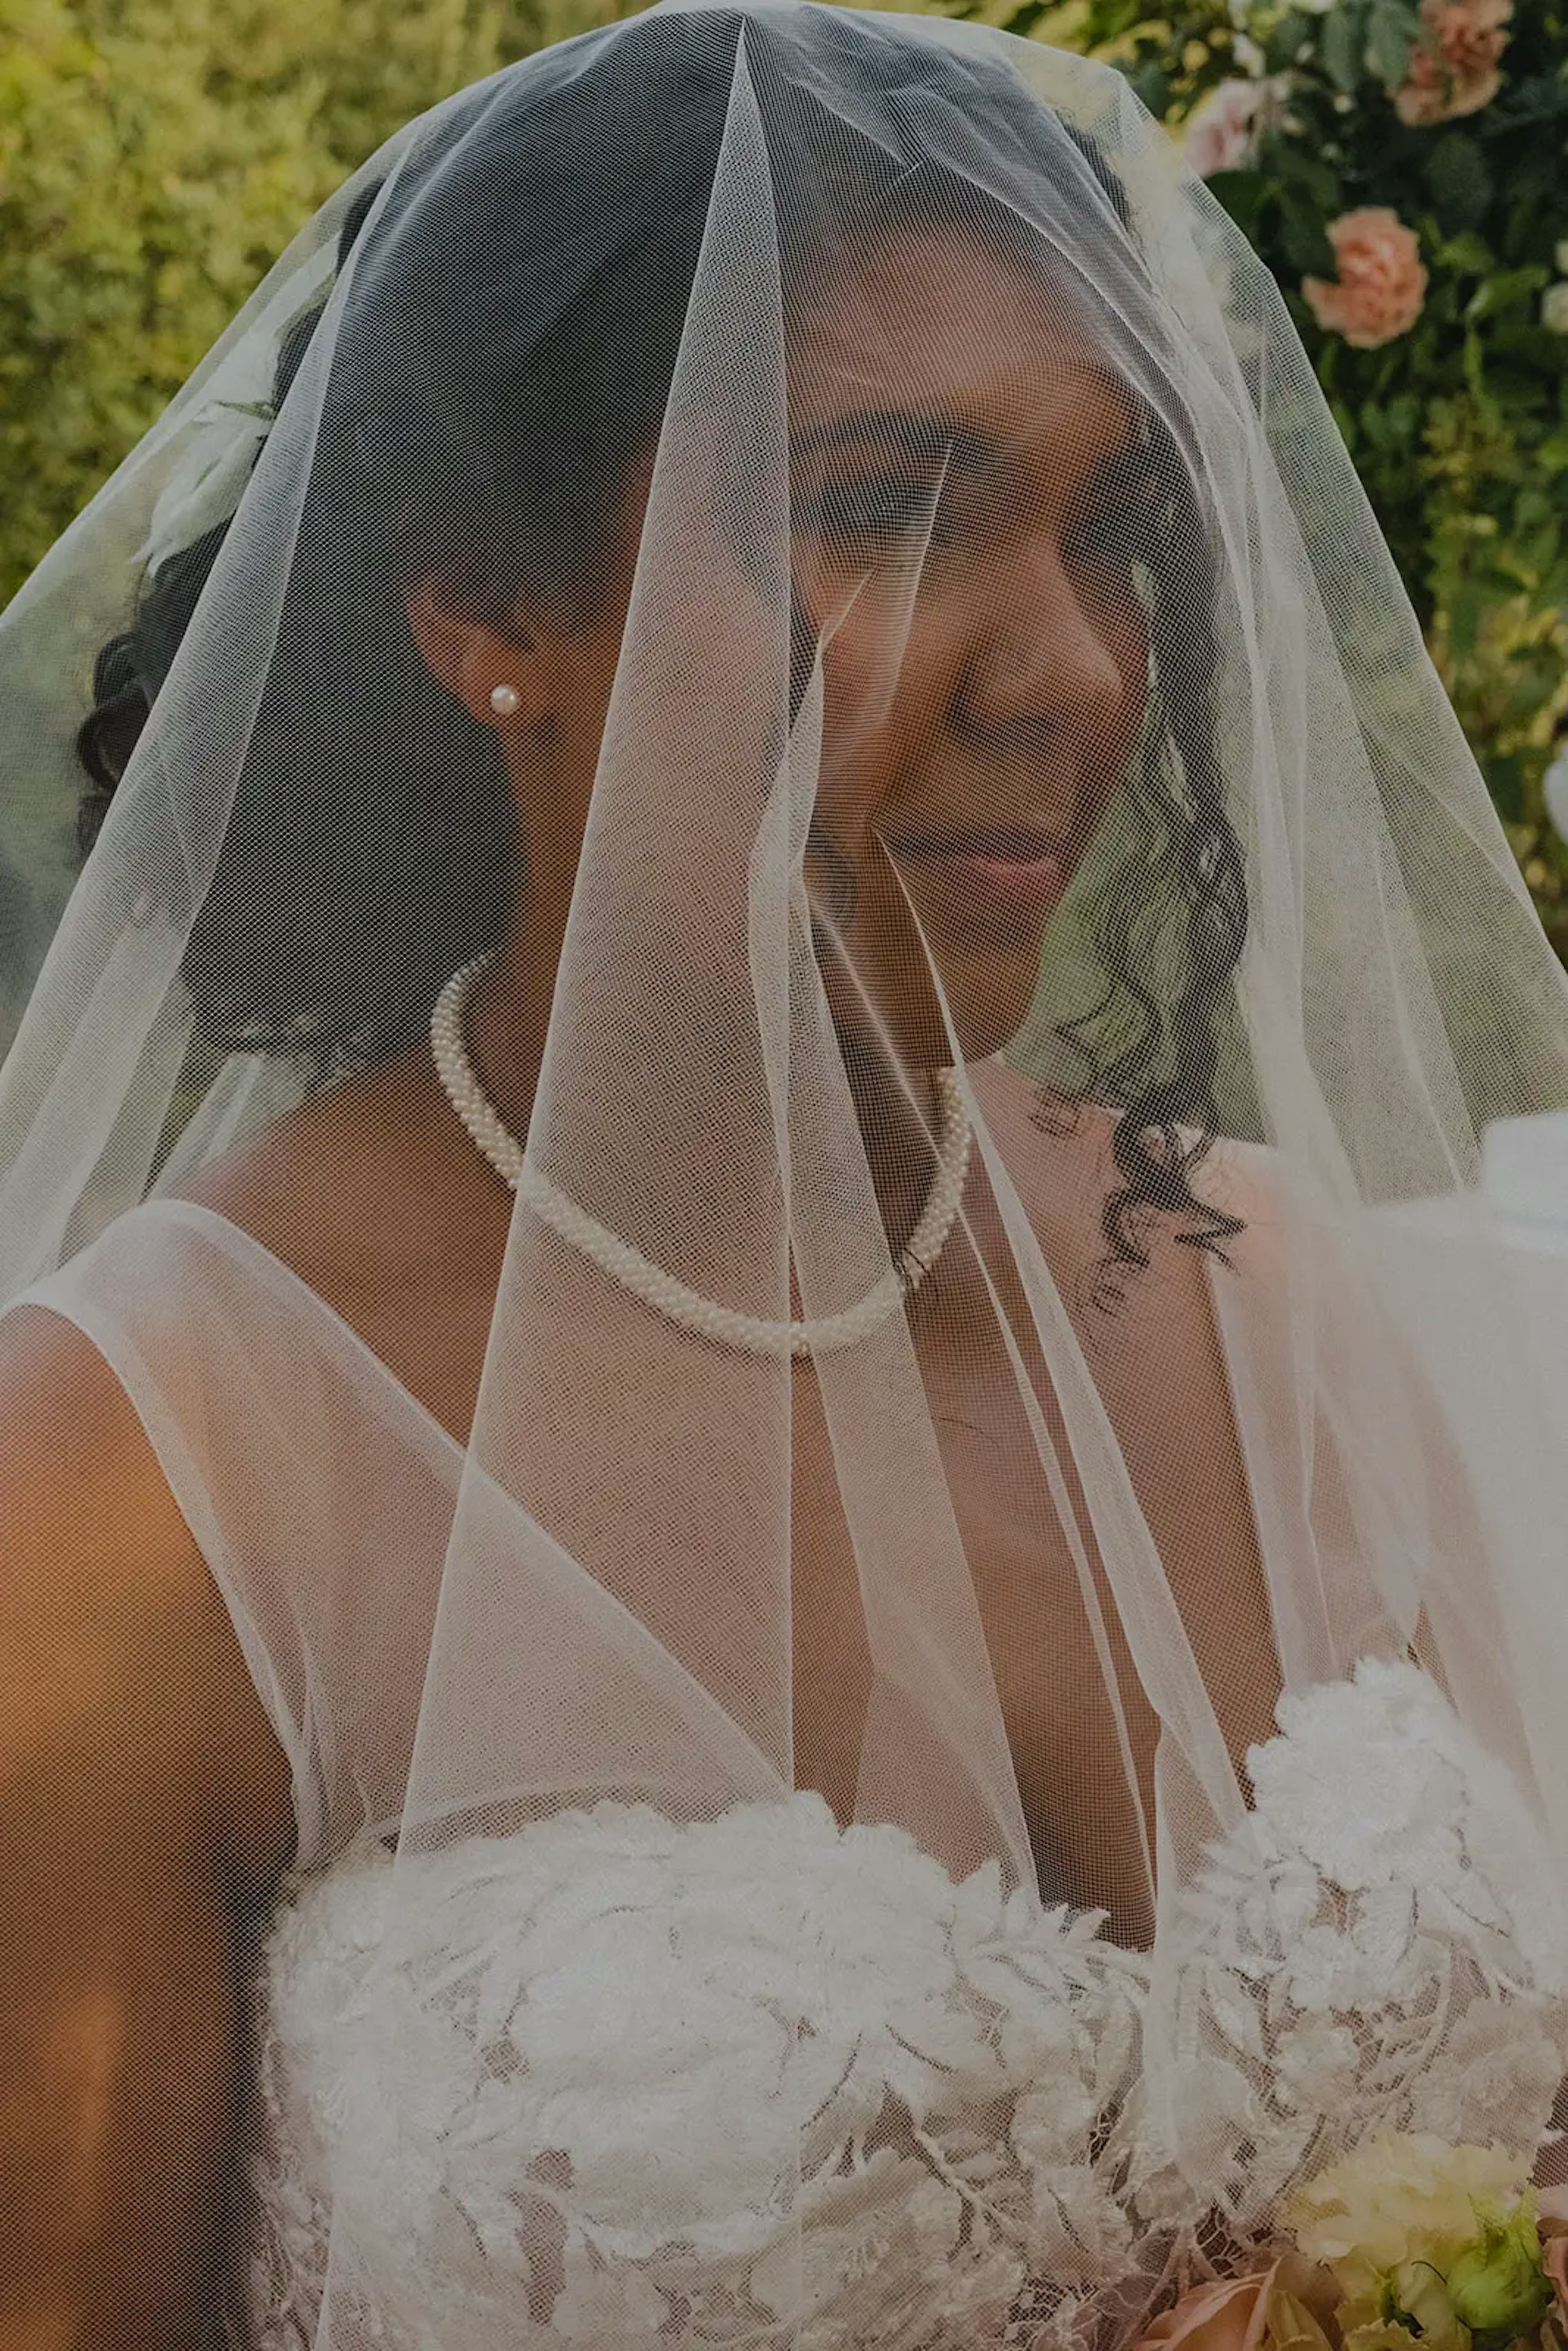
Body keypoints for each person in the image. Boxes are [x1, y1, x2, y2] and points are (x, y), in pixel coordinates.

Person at [2, 4, 1567, 2344]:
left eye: (1111, 529)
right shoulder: (141, 1473)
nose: (1070, 667)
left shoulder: (1259, 1284)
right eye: (892, 509)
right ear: (489, 611)